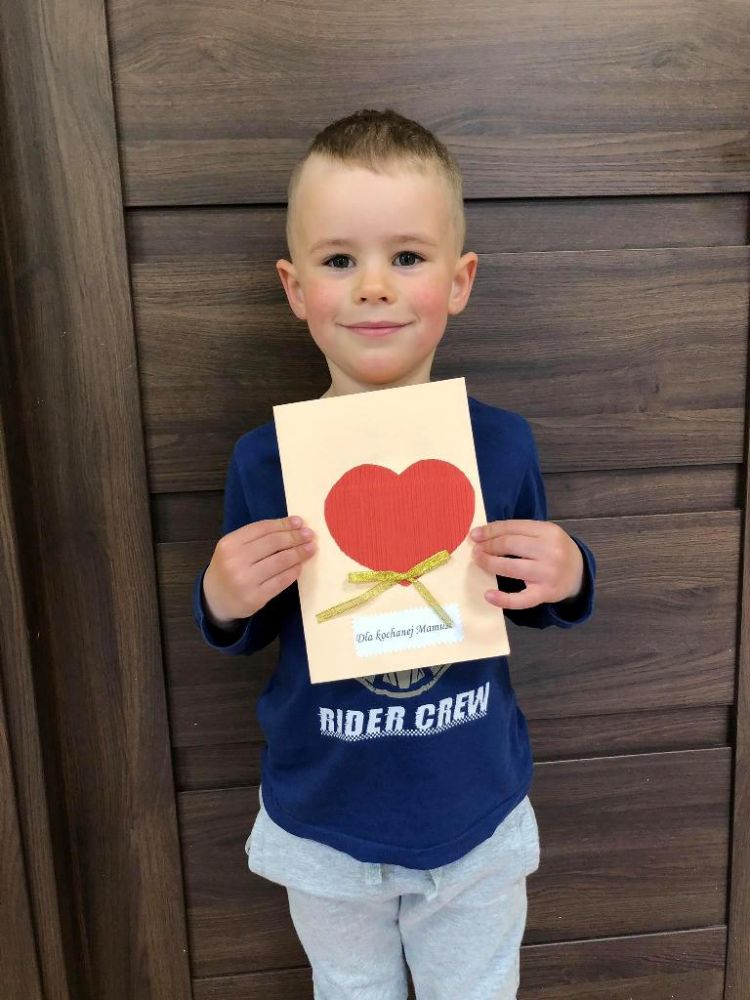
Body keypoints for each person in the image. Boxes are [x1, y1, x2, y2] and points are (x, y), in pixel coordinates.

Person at [192, 108, 597, 1000]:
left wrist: (566, 572)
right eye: (340, 261)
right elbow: (246, 627)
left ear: (460, 280)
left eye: (406, 257)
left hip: (475, 813)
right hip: (325, 819)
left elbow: (532, 596)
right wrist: (222, 596)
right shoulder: (264, 461)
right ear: (295, 288)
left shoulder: (502, 446)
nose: (374, 287)